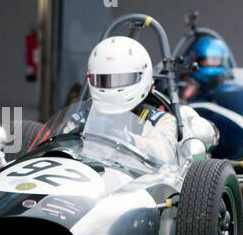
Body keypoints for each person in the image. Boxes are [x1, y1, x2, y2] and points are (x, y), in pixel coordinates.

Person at [86, 35, 216, 159]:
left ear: (142, 77)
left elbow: (165, 153)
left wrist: (127, 139)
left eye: (121, 79)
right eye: (103, 80)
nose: (112, 87)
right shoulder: (85, 115)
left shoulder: (159, 120)